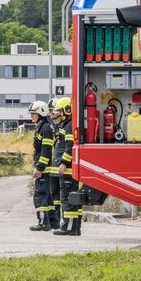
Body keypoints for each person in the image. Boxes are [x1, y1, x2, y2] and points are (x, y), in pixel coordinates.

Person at [51, 97, 81, 236]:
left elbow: (69, 147)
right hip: (68, 169)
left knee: (67, 199)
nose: (56, 113)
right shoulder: (66, 125)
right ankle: (75, 228)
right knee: (72, 199)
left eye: (58, 111)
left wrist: (63, 163)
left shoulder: (68, 126)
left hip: (67, 169)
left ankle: (68, 227)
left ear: (66, 110)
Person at [28, 100, 56, 231]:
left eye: (33, 113)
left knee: (40, 195)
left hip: (44, 168)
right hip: (46, 167)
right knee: (48, 196)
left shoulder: (45, 128)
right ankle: (53, 221)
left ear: (40, 113)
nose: (31, 116)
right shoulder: (44, 127)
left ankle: (43, 223)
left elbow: (46, 151)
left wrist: (39, 168)